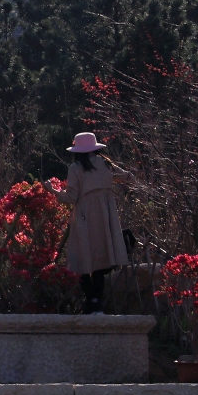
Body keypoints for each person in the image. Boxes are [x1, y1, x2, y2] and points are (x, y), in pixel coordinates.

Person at [57, 132, 133, 314]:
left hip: (85, 216)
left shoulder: (76, 168)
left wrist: (53, 191)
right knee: (100, 260)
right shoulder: (105, 164)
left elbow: (71, 197)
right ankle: (96, 301)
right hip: (105, 215)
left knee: (81, 258)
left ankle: (91, 301)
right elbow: (126, 176)